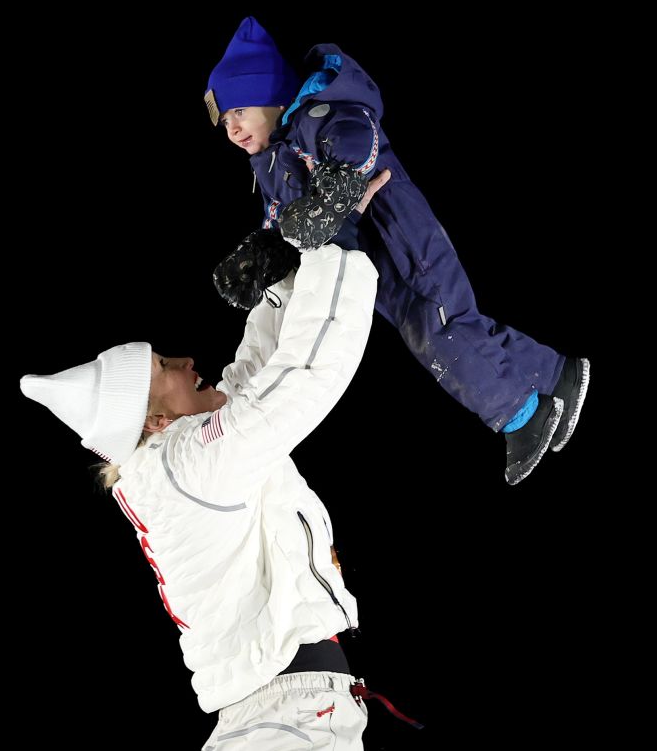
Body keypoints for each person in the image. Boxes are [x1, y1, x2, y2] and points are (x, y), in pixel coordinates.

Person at [21, 172, 417, 749]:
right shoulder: (182, 466)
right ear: (155, 421)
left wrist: (278, 284)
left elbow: (254, 383)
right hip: (285, 719)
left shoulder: (172, 465)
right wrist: (335, 246)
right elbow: (300, 381)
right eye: (164, 368)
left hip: (279, 715)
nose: (185, 359)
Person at [205, 16, 591, 485]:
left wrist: (334, 190)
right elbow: (284, 221)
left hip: (403, 238)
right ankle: (557, 376)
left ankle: (521, 416)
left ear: (270, 93)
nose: (233, 129)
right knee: (443, 324)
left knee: (440, 328)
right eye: (225, 122)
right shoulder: (273, 161)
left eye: (239, 112)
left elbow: (355, 137)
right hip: (375, 263)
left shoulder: (320, 116)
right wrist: (262, 255)